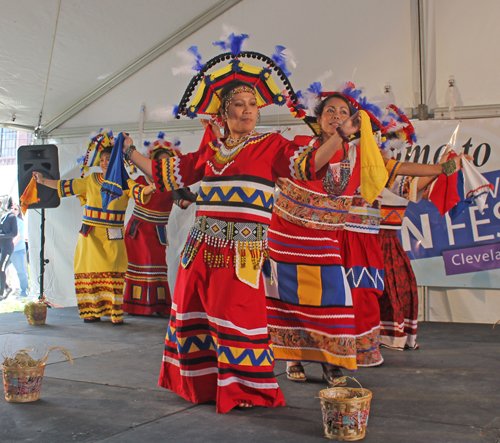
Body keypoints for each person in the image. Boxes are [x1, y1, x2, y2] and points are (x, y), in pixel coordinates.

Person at [121, 78, 362, 413]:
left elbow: (308, 165)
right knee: (192, 312)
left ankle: (245, 390)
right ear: (225, 112)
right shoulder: (212, 150)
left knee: (236, 316)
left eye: (252, 104)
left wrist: (339, 136)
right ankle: (199, 385)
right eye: (239, 104)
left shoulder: (272, 145)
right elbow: (168, 175)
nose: (247, 110)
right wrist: (129, 152)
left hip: (241, 253)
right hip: (200, 245)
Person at [266, 85, 467, 382]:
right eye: (330, 111)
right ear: (318, 119)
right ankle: (292, 359)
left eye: (343, 112)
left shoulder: (362, 156)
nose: (336, 116)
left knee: (339, 298)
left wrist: (443, 167)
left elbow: (396, 171)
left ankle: (334, 360)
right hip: (297, 234)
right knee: (292, 297)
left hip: (341, 237)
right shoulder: (300, 147)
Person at [33, 141, 153, 324]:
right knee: (89, 272)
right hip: (90, 236)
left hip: (112, 235)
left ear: (118, 161)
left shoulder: (125, 183)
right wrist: (42, 181)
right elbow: (66, 186)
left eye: (109, 159)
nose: (105, 162)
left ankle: (114, 313)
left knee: (113, 272)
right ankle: (91, 311)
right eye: (102, 159)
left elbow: (140, 192)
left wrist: (152, 186)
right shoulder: (91, 180)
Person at [122, 137, 184, 317]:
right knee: (136, 264)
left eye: (166, 162)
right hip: (138, 230)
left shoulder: (172, 184)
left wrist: (202, 193)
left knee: (156, 265)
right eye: (158, 162)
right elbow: (133, 194)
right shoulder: (140, 179)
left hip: (156, 232)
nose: (162, 164)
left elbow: (184, 202)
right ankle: (134, 306)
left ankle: (158, 306)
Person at [9, 202, 29, 299]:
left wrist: (10, 246)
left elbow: (19, 236)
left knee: (21, 271)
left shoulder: (19, 222)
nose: (13, 210)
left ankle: (24, 291)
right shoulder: (6, 220)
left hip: (17, 250)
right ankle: (6, 288)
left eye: (15, 209)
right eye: (11, 208)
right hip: (7, 250)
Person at [0, 196, 17, 300]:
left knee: (1, 268)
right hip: (1, 245)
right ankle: (7, 287)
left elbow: (14, 232)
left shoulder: (11, 216)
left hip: (7, 246)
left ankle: (1, 293)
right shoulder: (2, 215)